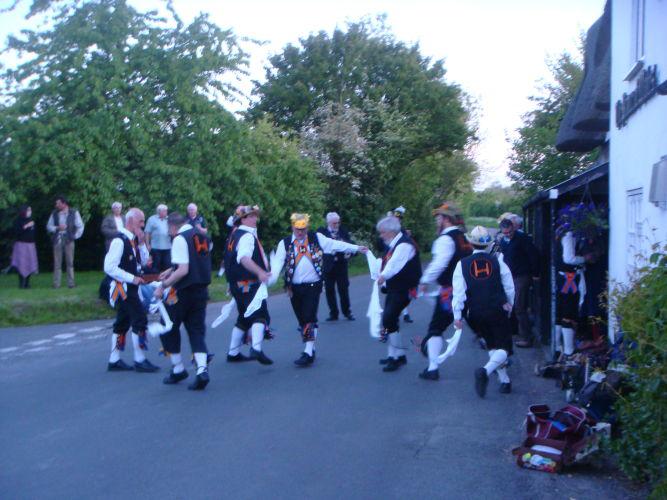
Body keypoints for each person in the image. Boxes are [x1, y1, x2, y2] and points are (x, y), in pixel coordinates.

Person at [275, 213, 366, 366]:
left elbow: (336, 245)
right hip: (294, 288)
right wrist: (266, 278)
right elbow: (277, 265)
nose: (300, 232)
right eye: (297, 229)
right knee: (303, 320)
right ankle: (311, 347)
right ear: (292, 227)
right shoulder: (284, 244)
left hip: (313, 285)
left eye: (303, 229)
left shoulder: (317, 238)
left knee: (310, 317)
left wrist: (357, 248)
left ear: (307, 227)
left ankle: (308, 351)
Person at [452, 226, 515, 397]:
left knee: (491, 343)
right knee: (504, 347)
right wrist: (509, 304)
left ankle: (505, 381)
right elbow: (509, 285)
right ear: (487, 244)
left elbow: (458, 294)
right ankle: (485, 371)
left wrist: (457, 316)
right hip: (496, 308)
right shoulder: (497, 260)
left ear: (471, 243)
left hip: (475, 312)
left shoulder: (462, 264)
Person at [154, 212, 213, 390]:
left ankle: (178, 368)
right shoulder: (202, 235)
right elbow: (193, 260)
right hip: (201, 289)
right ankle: (202, 370)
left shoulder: (180, 238)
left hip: (183, 291)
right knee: (196, 329)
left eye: (169, 230)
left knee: (167, 326)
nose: (170, 234)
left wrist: (163, 285)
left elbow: (184, 270)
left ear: (173, 226)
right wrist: (171, 269)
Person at [416, 203, 472, 380]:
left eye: (439, 217)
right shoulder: (464, 238)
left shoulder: (445, 239)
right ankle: (503, 374)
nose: (437, 221)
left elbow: (439, 263)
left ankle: (433, 368)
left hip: (452, 292)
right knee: (483, 328)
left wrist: (424, 280)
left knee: (436, 328)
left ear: (446, 219)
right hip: (470, 290)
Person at [103, 208, 160, 373]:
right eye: (140, 221)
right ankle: (139, 359)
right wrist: (132, 278)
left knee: (122, 323)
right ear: (130, 221)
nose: (143, 225)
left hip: (130, 288)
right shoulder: (119, 241)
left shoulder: (132, 241)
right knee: (140, 319)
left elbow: (141, 262)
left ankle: (114, 360)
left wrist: (142, 244)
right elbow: (109, 267)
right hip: (123, 289)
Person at [223, 205, 274, 365]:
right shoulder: (246, 236)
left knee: (244, 318)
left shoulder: (234, 235)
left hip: (237, 285)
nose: (255, 218)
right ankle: (256, 348)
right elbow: (243, 258)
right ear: (243, 219)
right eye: (251, 216)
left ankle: (233, 352)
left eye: (255, 215)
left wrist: (230, 283)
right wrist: (260, 272)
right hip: (248, 284)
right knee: (260, 314)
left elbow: (229, 261)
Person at [375, 216, 422, 373]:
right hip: (396, 287)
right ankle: (397, 355)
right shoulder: (395, 243)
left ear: (391, 231)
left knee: (388, 318)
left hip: (405, 288)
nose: (381, 236)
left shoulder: (403, 246)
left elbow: (394, 265)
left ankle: (395, 358)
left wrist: (383, 276)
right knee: (391, 319)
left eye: (382, 233)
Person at [498, 215, 540, 347]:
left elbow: (534, 255)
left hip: (522, 276)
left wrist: (535, 273)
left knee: (520, 306)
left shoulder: (522, 239)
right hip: (510, 276)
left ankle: (526, 337)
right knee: (510, 304)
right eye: (505, 233)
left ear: (513, 228)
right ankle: (515, 330)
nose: (508, 234)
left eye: (510, 232)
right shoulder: (503, 241)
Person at [554, 229, 590, 360]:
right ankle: (568, 351)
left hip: (565, 278)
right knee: (568, 312)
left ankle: (558, 348)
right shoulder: (569, 236)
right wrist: (585, 258)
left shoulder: (561, 233)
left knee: (561, 312)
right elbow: (569, 258)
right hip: (570, 280)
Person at [317, 212, 356, 321]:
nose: (337, 225)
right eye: (334, 223)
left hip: (341, 265)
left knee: (343, 289)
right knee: (329, 290)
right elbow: (317, 246)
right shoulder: (322, 232)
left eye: (338, 222)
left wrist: (350, 252)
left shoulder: (343, 231)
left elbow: (350, 244)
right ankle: (333, 313)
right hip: (328, 265)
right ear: (328, 222)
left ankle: (347, 312)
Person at [46, 195, 84, 288]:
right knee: (57, 262)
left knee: (70, 262)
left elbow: (80, 226)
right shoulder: (54, 213)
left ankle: (71, 283)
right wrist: (57, 228)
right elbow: (49, 226)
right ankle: (56, 284)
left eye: (58, 203)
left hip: (69, 239)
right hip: (57, 238)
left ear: (64, 203)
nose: (56, 205)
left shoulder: (74, 212)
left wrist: (75, 236)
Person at [11, 205, 38, 288]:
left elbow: (34, 232)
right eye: (29, 210)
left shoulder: (31, 220)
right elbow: (16, 232)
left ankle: (27, 283)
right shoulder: (18, 221)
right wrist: (26, 226)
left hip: (30, 245)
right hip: (21, 245)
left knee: (29, 263)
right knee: (22, 264)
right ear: (24, 211)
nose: (30, 212)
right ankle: (21, 283)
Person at [145, 204, 171, 272]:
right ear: (159, 211)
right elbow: (147, 232)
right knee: (156, 266)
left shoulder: (169, 219)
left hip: (167, 247)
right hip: (155, 247)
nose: (166, 212)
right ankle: (155, 281)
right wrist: (147, 244)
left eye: (166, 211)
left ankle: (167, 281)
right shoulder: (152, 219)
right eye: (164, 211)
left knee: (167, 265)